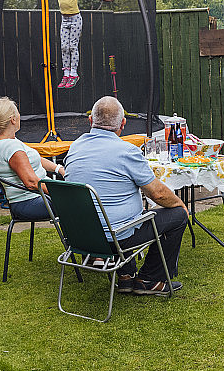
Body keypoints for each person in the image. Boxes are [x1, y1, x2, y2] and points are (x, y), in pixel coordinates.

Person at [64, 96, 188, 295]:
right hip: (114, 238)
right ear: (123, 123)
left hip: (81, 237)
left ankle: (125, 276)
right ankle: (150, 279)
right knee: (177, 215)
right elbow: (158, 193)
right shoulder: (126, 151)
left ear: (90, 121)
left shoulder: (74, 148)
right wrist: (180, 204)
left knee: (120, 208)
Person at [0, 97, 65, 220]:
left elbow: (32, 158)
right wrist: (61, 193)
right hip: (31, 202)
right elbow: (31, 183)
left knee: (79, 198)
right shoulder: (11, 147)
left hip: (27, 201)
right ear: (13, 119)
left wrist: (58, 168)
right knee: (82, 202)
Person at [51, 0, 113, 89]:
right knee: (64, 47)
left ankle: (73, 74)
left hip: (75, 19)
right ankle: (66, 74)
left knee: (72, 46)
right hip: (64, 20)